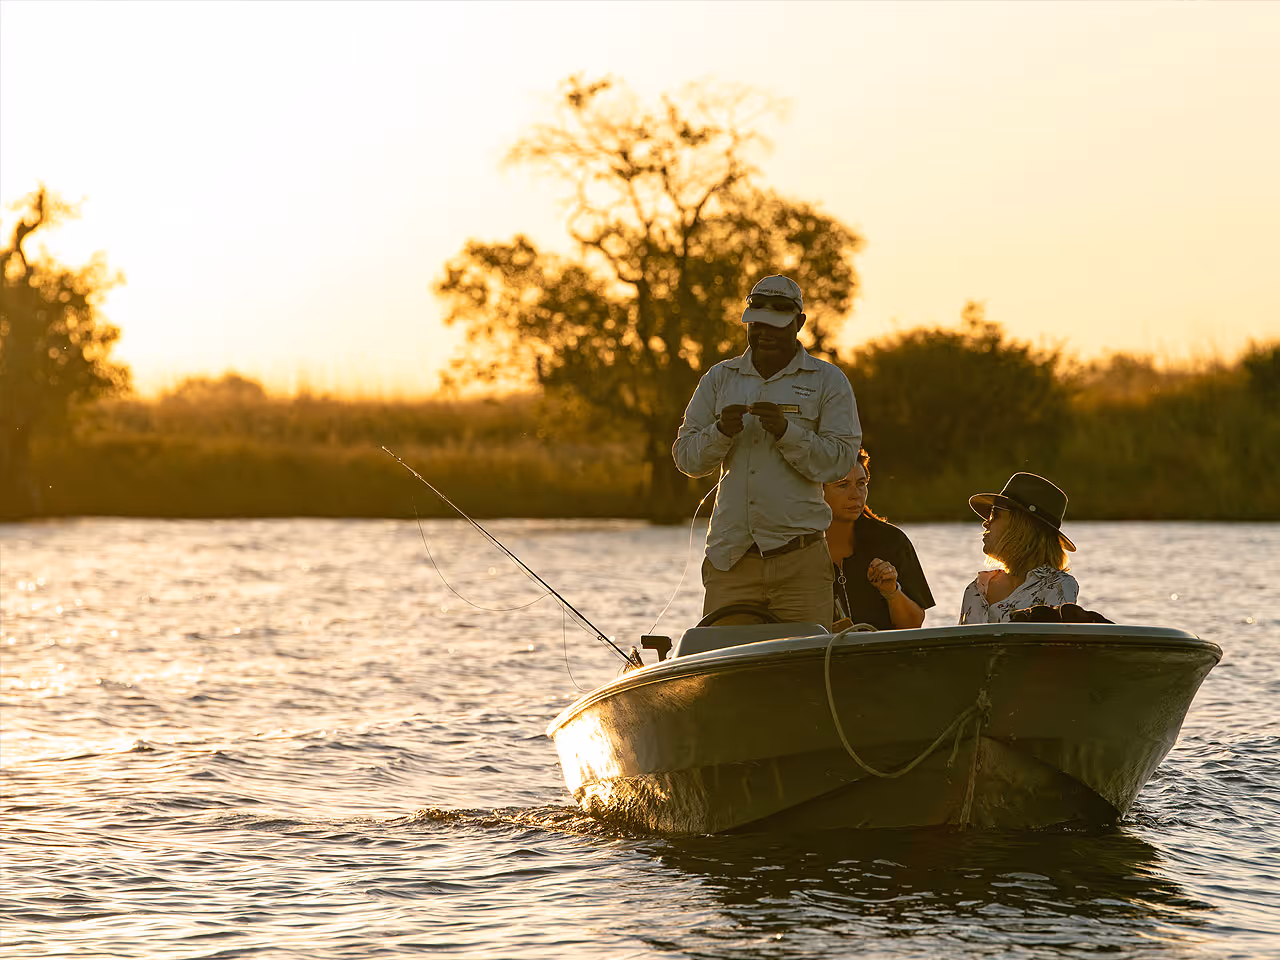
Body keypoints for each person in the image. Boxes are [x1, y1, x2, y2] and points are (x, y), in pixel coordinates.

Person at [674, 274, 861, 629]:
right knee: (725, 674)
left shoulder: (828, 380)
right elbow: (687, 459)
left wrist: (787, 432)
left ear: (799, 323)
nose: (765, 334)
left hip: (801, 565)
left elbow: (839, 462)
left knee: (804, 672)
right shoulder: (719, 378)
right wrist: (720, 432)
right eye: (757, 324)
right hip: (731, 562)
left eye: (776, 325)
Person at [823, 448, 934, 630]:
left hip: (883, 655)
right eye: (843, 485)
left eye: (861, 483)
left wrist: (891, 592)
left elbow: (913, 625)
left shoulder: (892, 541)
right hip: (822, 655)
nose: (856, 494)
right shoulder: (799, 546)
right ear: (818, 489)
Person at [959, 472, 1079, 624]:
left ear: (1022, 526)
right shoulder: (976, 589)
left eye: (995, 514)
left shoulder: (1058, 585)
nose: (986, 523)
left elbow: (1051, 644)